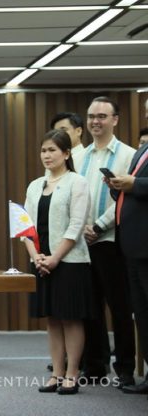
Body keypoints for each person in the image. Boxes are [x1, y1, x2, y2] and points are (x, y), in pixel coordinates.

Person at [24, 129, 93, 395]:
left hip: (70, 262)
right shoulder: (34, 185)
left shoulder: (77, 182)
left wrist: (54, 258)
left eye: (53, 150)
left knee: (71, 318)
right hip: (41, 261)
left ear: (66, 153)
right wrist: (36, 257)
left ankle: (72, 373)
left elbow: (76, 227)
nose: (47, 155)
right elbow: (26, 227)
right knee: (52, 319)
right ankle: (56, 373)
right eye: (44, 150)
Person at [76, 97, 136, 387]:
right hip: (81, 242)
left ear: (115, 120)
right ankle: (95, 365)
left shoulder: (129, 155)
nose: (95, 122)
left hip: (112, 241)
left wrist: (99, 226)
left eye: (102, 116)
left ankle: (125, 367)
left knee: (120, 307)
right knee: (89, 307)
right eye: (91, 116)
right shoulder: (79, 156)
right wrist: (80, 229)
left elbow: (126, 199)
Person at [110, 102, 148, 396]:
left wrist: (134, 183)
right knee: (143, 315)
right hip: (133, 247)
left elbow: (140, 185)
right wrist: (117, 185)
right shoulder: (143, 149)